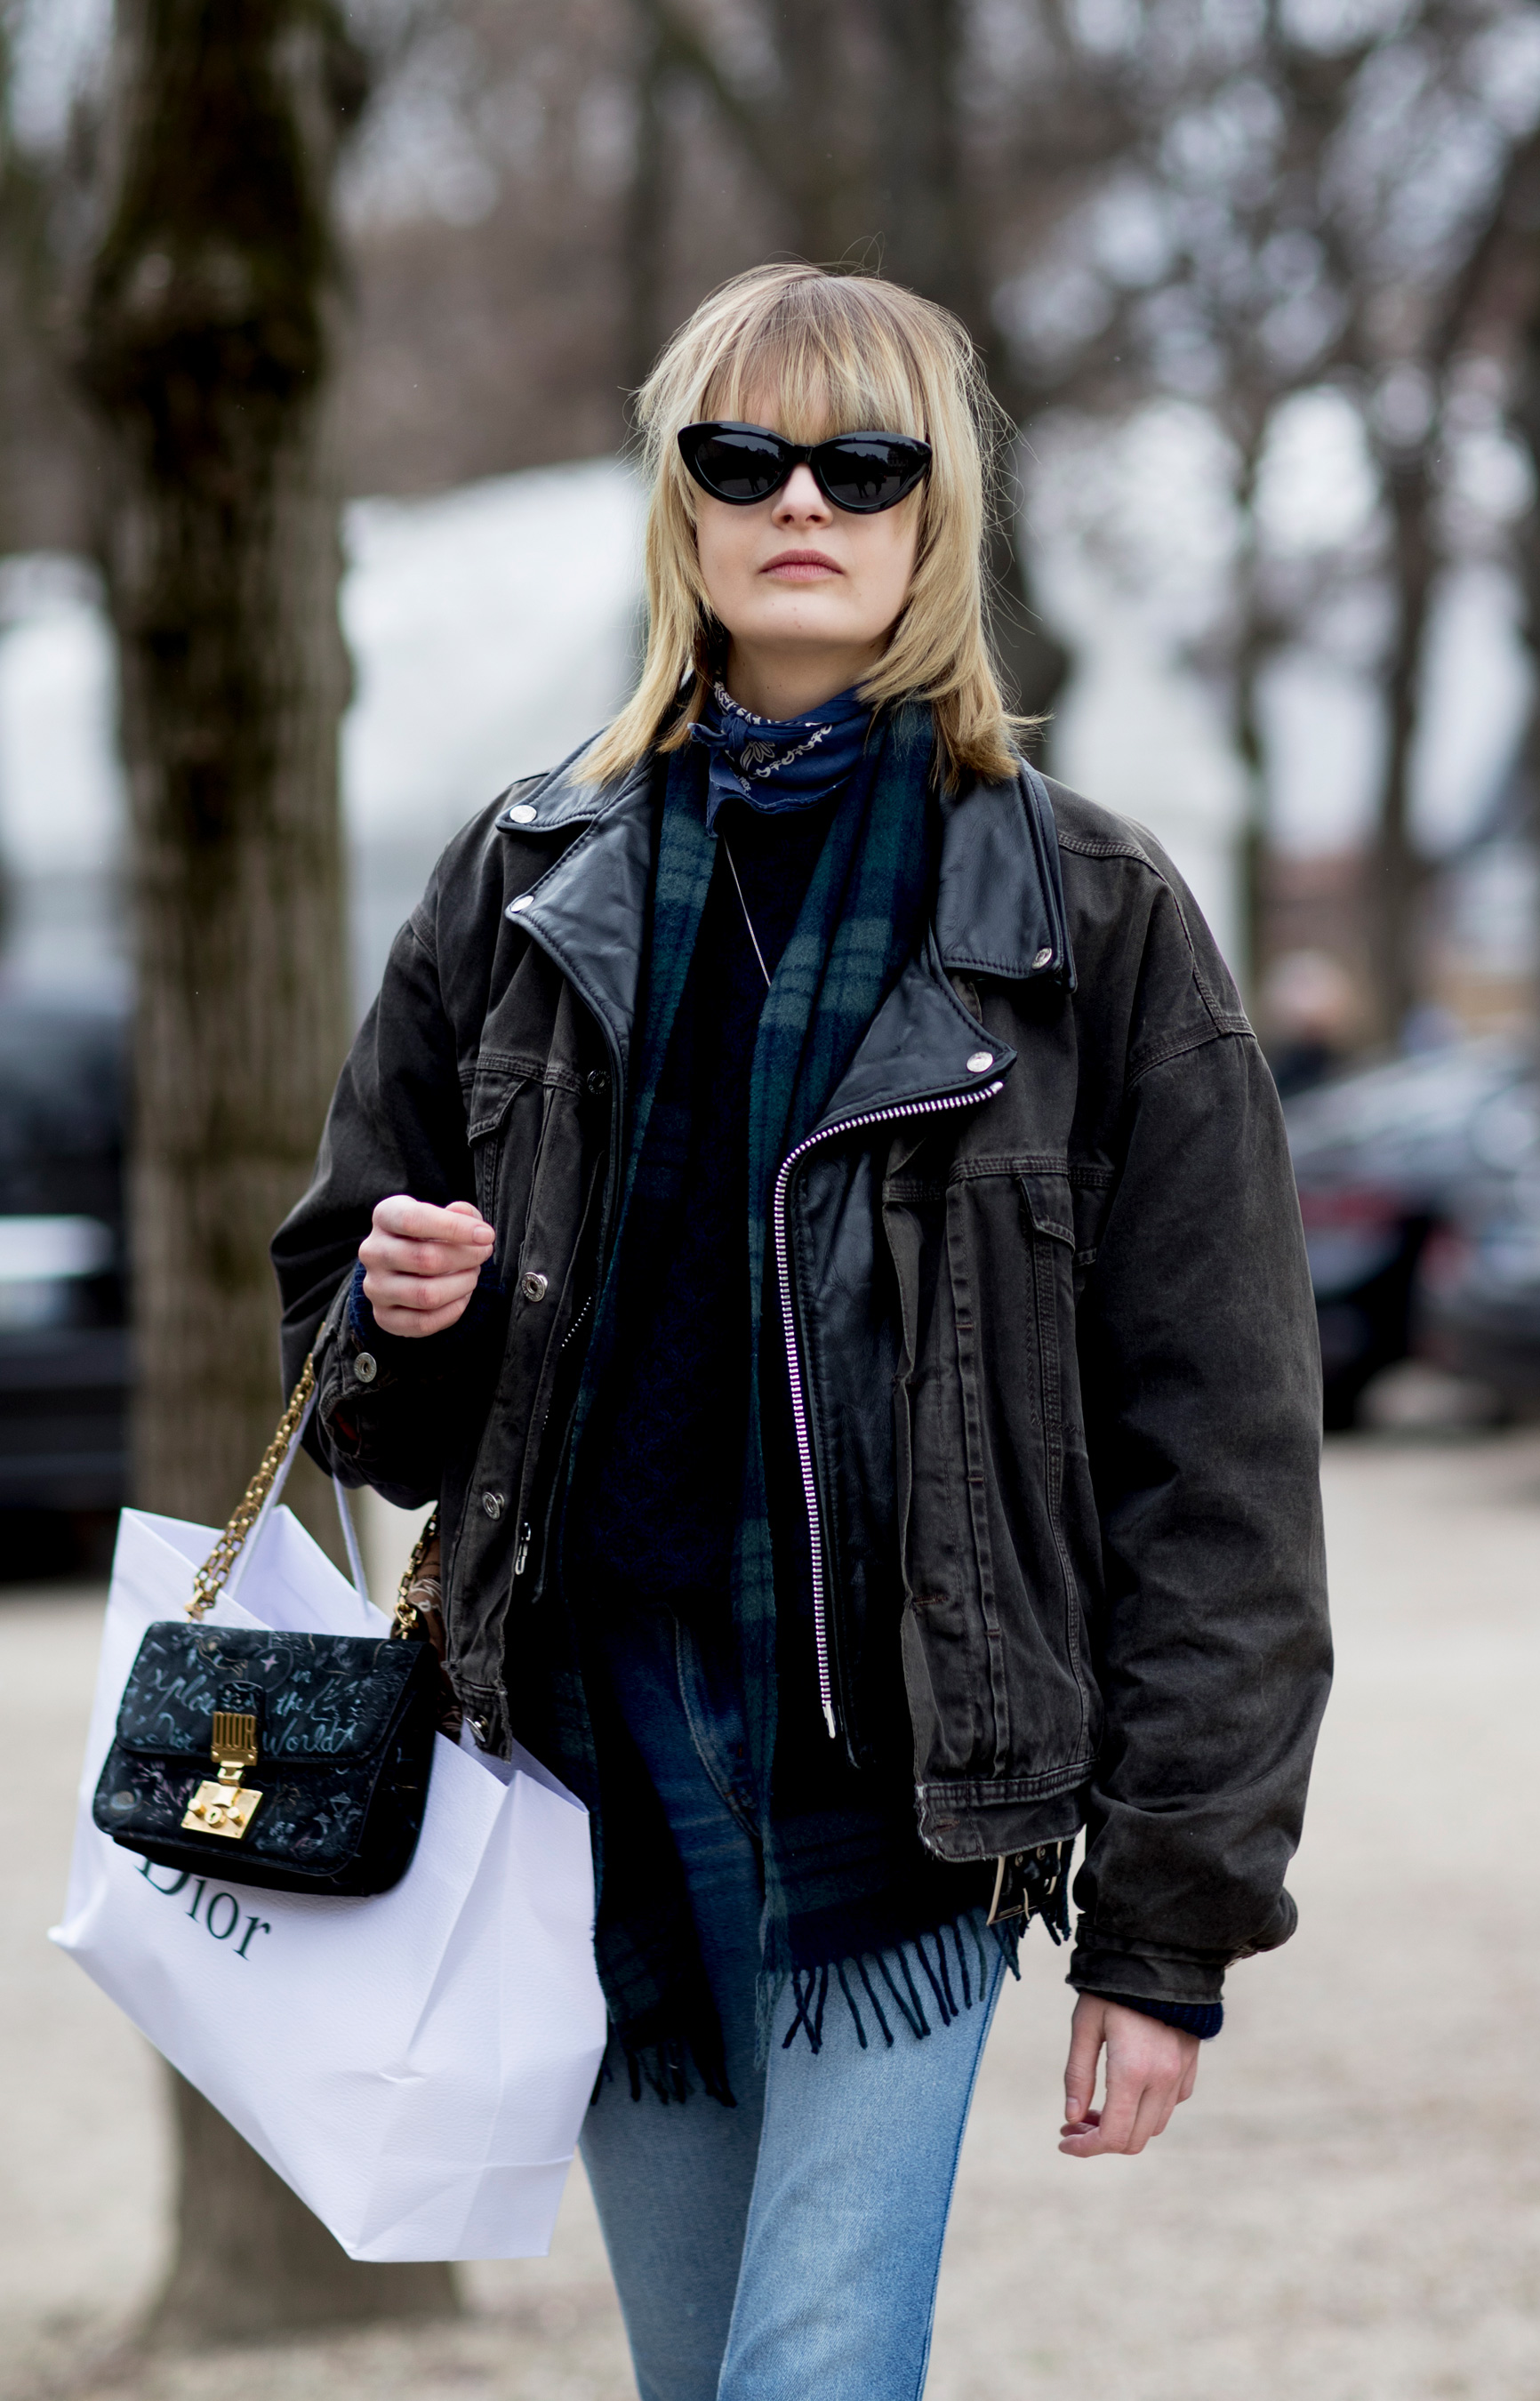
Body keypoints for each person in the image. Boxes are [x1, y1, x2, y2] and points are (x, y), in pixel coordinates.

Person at [273, 263, 1331, 2401]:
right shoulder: (522, 881)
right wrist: (407, 1314)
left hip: (907, 1794)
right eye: (744, 457)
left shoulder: (1089, 916)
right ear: (680, 499)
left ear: (939, 512)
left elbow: (1223, 1463)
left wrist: (1169, 1932)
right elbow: (351, 1363)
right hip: (585, 1774)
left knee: (808, 2374)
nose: (802, 506)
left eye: (864, 463)